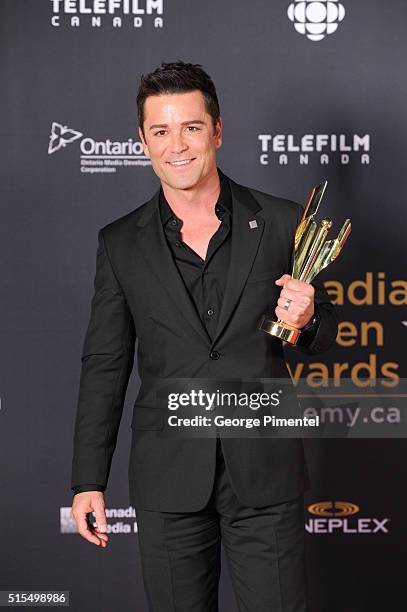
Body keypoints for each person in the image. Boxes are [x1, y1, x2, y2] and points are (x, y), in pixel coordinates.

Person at [70, 61, 338, 611]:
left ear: (217, 130)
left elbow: (320, 336)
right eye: (161, 131)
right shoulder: (120, 243)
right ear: (142, 140)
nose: (177, 146)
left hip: (264, 473)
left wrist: (309, 318)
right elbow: (105, 364)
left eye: (191, 127)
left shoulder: (284, 222)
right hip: (169, 478)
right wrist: (87, 480)